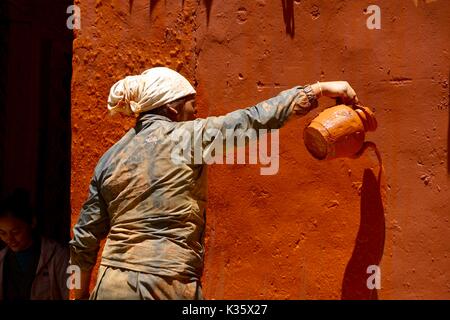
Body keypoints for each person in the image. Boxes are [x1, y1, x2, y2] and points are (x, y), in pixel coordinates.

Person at [70, 67, 359, 300]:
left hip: (112, 284)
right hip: (168, 283)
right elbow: (252, 121)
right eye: (191, 107)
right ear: (172, 109)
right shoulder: (188, 137)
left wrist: (79, 295)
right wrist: (317, 90)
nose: (195, 114)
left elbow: (84, 239)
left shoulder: (110, 158)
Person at [0, 189, 69, 300]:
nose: (9, 239)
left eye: (15, 232)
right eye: (2, 233)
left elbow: (71, 294)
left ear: (32, 222)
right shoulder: (2, 258)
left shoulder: (57, 256)